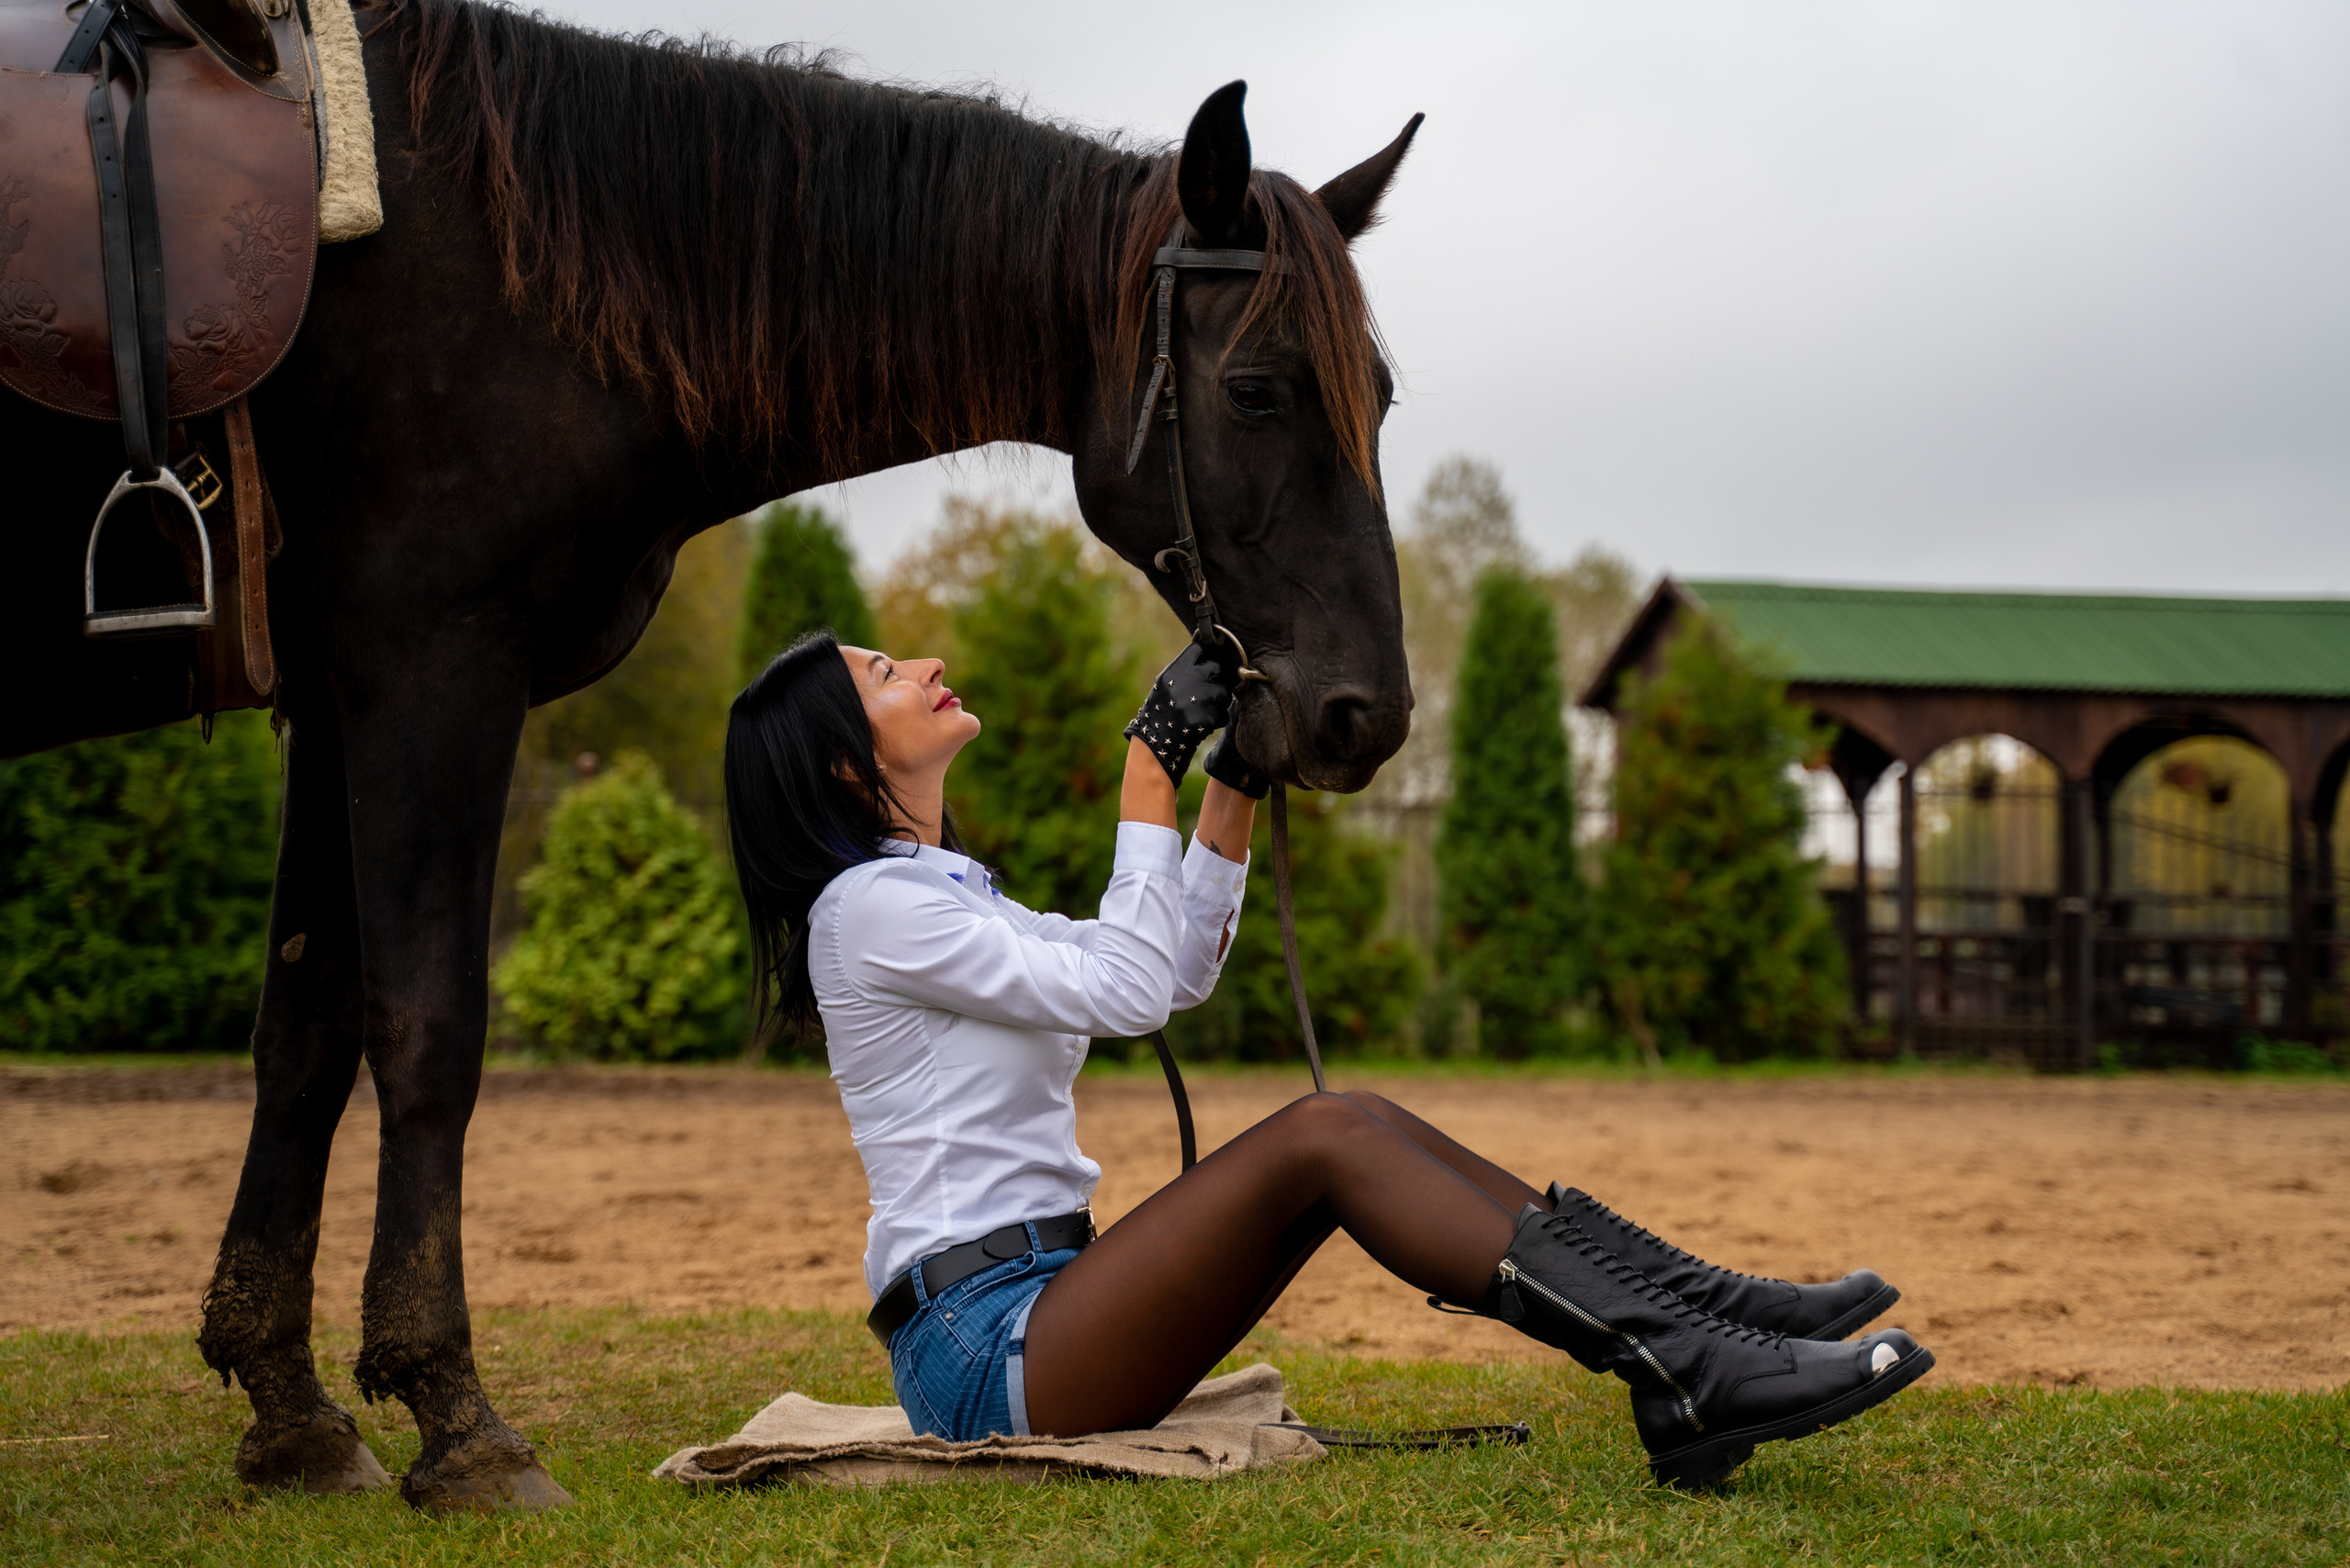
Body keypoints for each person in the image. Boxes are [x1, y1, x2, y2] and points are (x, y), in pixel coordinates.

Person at [723, 630, 1933, 1489]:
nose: (924, 663)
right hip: (988, 1350)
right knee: (1325, 1133)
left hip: (1044, 1308)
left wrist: (1233, 780)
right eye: (884, 673)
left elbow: (1166, 974)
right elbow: (1138, 989)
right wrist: (1150, 763)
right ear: (844, 762)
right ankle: (1691, 1363)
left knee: (1359, 1121)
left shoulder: (943, 894)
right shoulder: (872, 913)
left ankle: (1701, 1319)